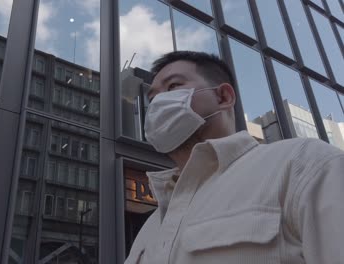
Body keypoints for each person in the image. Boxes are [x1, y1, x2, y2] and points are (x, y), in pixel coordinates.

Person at [125, 51, 344, 264]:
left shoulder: (303, 165)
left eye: (173, 86)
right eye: (152, 98)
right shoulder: (153, 224)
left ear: (223, 97)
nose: (158, 103)